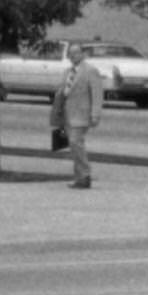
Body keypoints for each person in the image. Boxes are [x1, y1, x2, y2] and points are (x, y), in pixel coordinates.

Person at [61, 41, 104, 188]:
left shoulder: (90, 70)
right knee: (74, 146)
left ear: (83, 54)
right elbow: (64, 92)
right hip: (68, 114)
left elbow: (97, 93)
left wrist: (95, 114)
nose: (73, 56)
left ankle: (85, 174)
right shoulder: (68, 72)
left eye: (76, 53)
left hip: (82, 114)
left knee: (75, 142)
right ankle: (79, 177)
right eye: (71, 54)